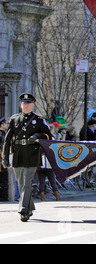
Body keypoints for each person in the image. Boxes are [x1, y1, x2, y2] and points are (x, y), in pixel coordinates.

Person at [1, 93, 52, 222]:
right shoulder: (14, 119)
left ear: (33, 105)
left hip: (32, 154)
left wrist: (37, 136)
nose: (26, 105)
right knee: (22, 184)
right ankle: (29, 208)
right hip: (18, 155)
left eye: (28, 103)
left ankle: (23, 210)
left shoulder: (39, 119)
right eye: (24, 103)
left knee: (27, 183)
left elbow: (48, 136)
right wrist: (5, 157)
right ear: (20, 104)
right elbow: (7, 141)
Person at [0, 118, 9, 201]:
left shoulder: (5, 133)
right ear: (2, 124)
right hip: (1, 159)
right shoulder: (1, 135)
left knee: (4, 178)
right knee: (3, 178)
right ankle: (2, 197)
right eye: (5, 123)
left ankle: (4, 196)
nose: (6, 125)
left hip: (4, 158)